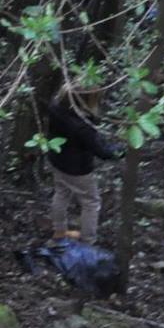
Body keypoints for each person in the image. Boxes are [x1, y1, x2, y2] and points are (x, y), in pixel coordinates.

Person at [44, 82, 124, 241]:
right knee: (91, 202)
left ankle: (59, 231)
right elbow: (103, 152)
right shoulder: (82, 127)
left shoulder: (55, 107)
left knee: (61, 192)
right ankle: (88, 239)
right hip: (77, 169)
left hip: (57, 160)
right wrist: (122, 149)